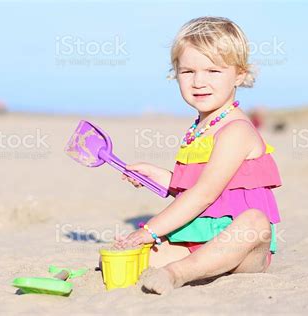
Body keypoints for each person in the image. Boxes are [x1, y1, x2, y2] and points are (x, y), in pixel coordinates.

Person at [114, 16, 282, 295]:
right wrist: (165, 179)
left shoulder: (235, 130)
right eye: (188, 71)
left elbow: (205, 193)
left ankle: (178, 273)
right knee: (128, 259)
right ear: (175, 73)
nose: (199, 81)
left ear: (239, 74)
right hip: (201, 238)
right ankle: (188, 265)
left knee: (254, 221)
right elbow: (202, 187)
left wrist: (150, 230)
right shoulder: (201, 126)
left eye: (213, 71)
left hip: (243, 249)